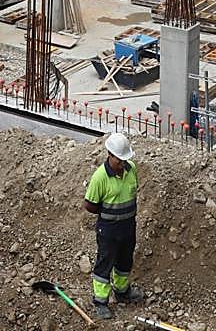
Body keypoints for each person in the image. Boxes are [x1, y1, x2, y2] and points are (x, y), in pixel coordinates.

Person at [82, 132, 144, 319]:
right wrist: (109, 215)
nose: (122, 163)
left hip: (128, 226)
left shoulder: (131, 169)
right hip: (108, 230)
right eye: (119, 159)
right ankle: (101, 301)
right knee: (105, 264)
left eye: (124, 159)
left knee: (125, 261)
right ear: (110, 154)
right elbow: (89, 204)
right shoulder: (100, 177)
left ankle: (122, 292)